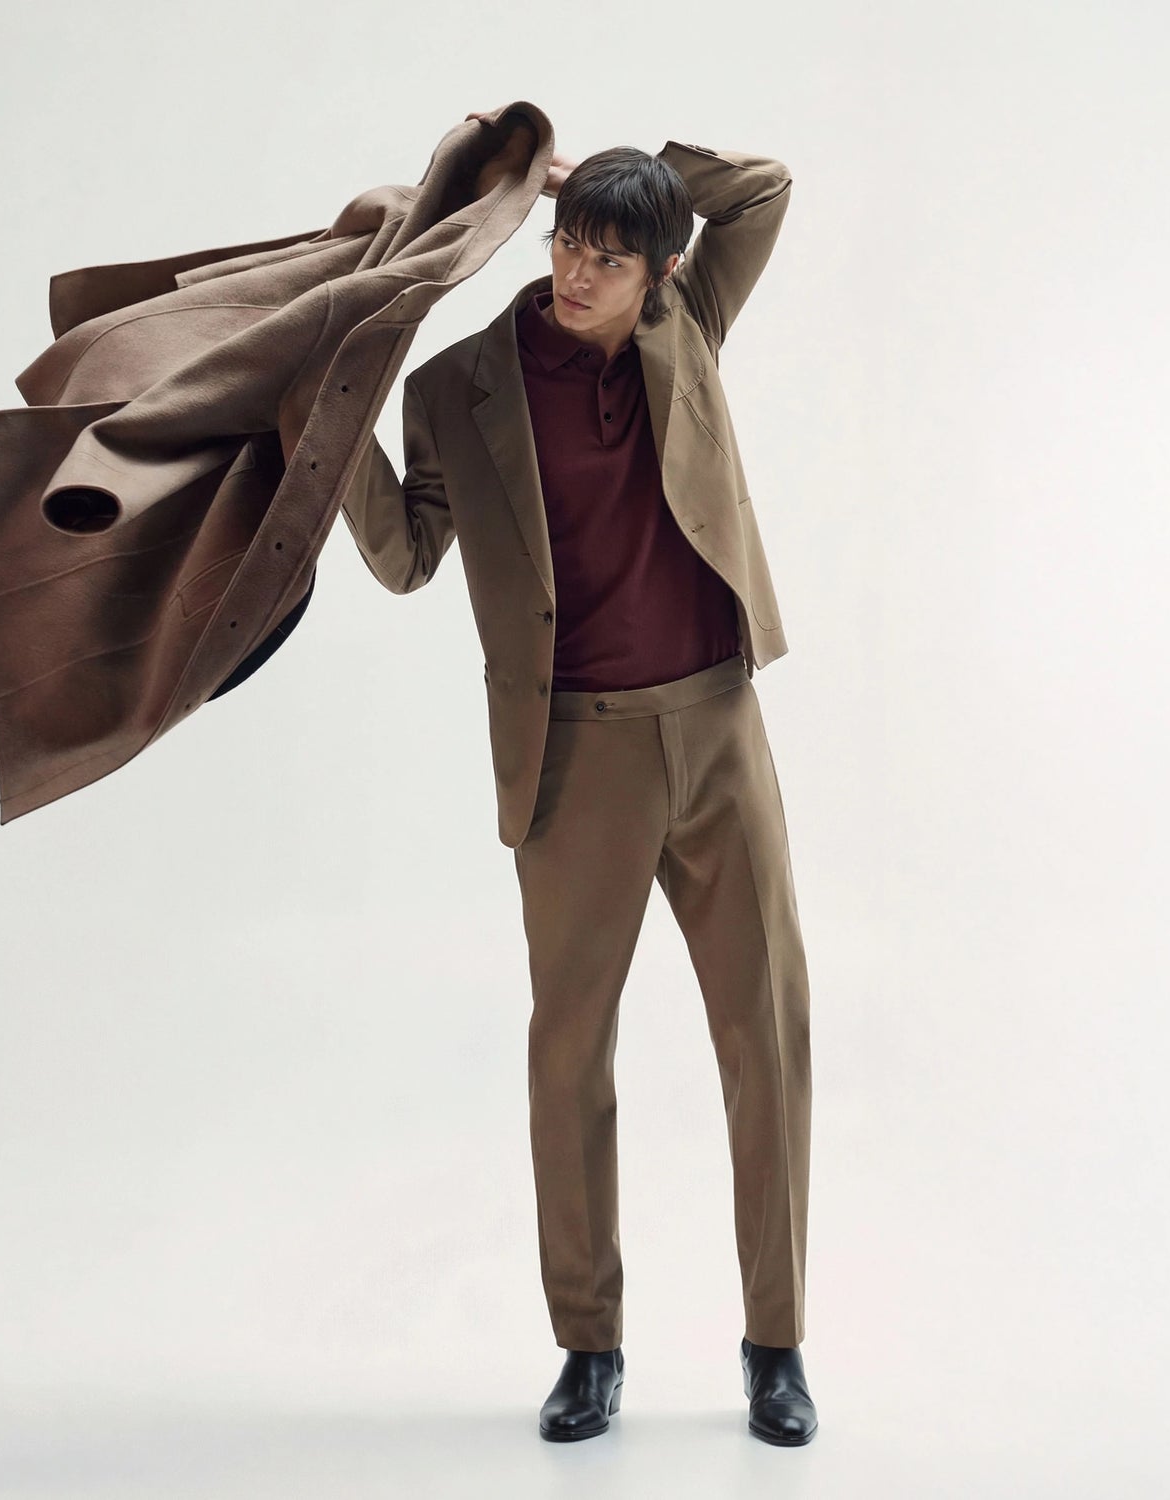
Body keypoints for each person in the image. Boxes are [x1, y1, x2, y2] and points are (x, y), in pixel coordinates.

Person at [339, 118, 816, 1447]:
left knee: (767, 1035)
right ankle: (588, 1345)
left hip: (719, 730)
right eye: (567, 243)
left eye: (609, 254)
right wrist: (322, 428)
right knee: (569, 1054)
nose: (574, 270)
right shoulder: (457, 389)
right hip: (575, 757)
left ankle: (775, 1345)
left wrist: (607, 164)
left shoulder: (693, 323)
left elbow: (764, 189)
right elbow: (402, 557)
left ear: (665, 270)